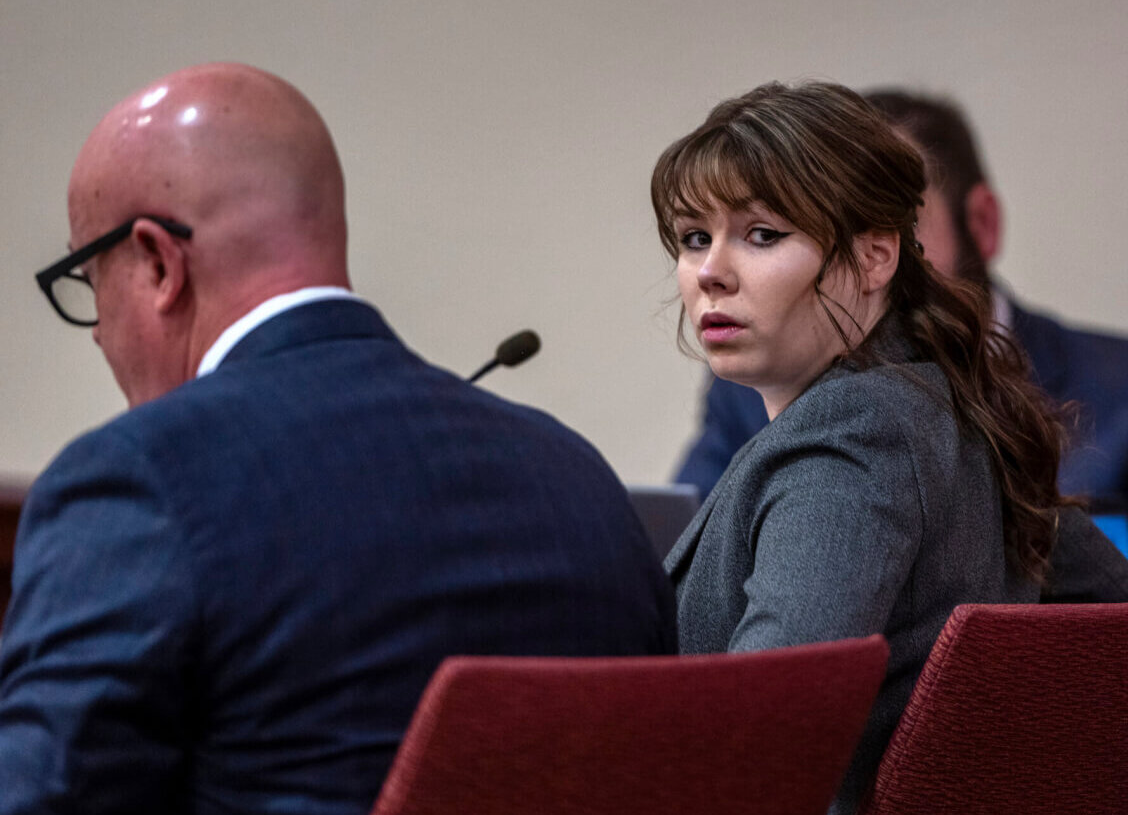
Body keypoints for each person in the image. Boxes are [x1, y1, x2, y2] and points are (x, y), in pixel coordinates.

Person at [1, 63, 677, 815]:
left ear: (159, 263)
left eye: (91, 281)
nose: (97, 332)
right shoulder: (577, 481)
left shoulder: (140, 480)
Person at [653, 81, 1128, 813]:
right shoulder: (937, 405)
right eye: (695, 237)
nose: (709, 272)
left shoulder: (853, 434)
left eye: (761, 235)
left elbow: (759, 734)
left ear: (874, 256)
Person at [675, 89, 1128, 601]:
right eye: (695, 238)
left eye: (898, 226)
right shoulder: (751, 388)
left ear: (983, 223)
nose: (881, 257)